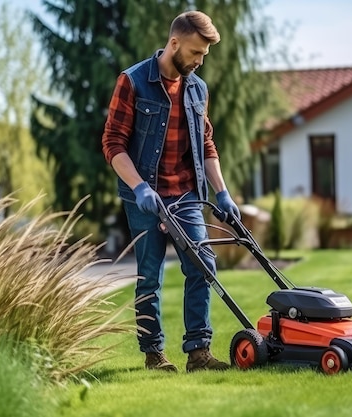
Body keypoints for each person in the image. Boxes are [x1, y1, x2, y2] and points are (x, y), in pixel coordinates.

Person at [102, 10, 240, 373]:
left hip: (186, 193)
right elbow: (113, 143)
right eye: (195, 53)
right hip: (144, 194)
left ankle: (199, 353)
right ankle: (153, 353)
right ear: (174, 43)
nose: (198, 61)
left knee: (203, 264)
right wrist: (139, 186)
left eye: (203, 56)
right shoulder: (133, 82)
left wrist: (222, 192)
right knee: (150, 272)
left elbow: (206, 144)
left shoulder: (197, 88)